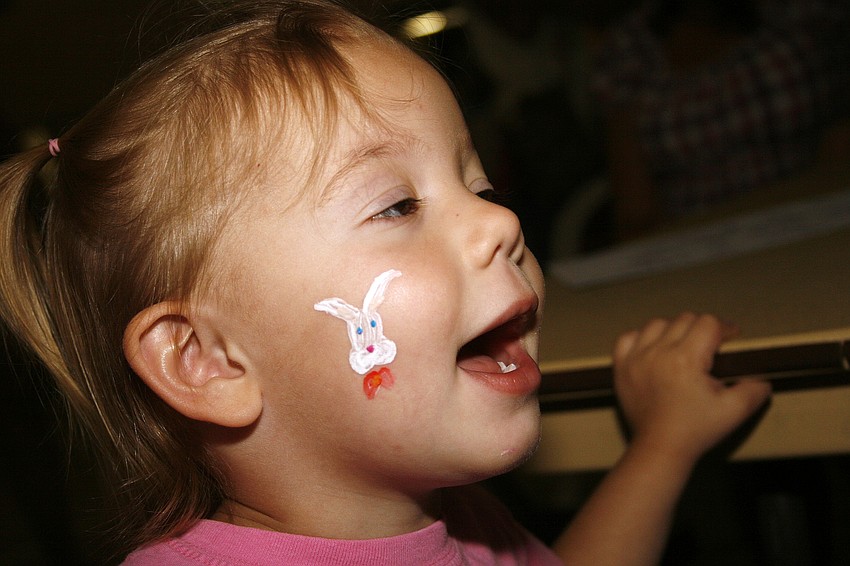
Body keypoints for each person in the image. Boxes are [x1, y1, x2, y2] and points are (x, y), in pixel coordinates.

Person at [0, 1, 771, 563]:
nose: (498, 223)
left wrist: (662, 446)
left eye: (478, 185)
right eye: (397, 205)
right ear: (208, 360)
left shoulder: (455, 515)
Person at [591, 0, 850, 241]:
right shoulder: (631, 46)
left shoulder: (802, 13)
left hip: (814, 218)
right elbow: (635, 214)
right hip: (695, 240)